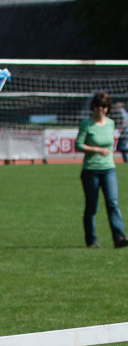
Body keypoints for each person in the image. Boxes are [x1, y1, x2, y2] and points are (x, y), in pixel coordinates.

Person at [75, 92, 128, 249]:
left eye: (104, 106)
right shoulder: (86, 124)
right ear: (93, 107)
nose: (101, 109)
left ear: (107, 108)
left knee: (112, 203)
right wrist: (97, 150)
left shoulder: (110, 123)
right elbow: (78, 145)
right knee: (92, 206)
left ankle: (119, 237)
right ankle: (91, 239)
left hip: (109, 169)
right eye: (98, 105)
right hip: (91, 170)